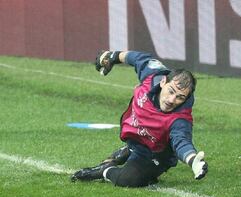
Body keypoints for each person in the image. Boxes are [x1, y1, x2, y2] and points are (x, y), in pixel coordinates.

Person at [71, 50, 208, 187]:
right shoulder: (152, 74)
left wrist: (192, 160)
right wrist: (112, 56)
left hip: (156, 153)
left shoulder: (180, 118)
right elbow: (136, 58)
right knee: (136, 172)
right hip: (136, 136)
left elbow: (182, 142)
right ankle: (130, 149)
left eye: (180, 97)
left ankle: (104, 170)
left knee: (128, 181)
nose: (172, 100)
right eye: (171, 91)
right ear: (163, 82)